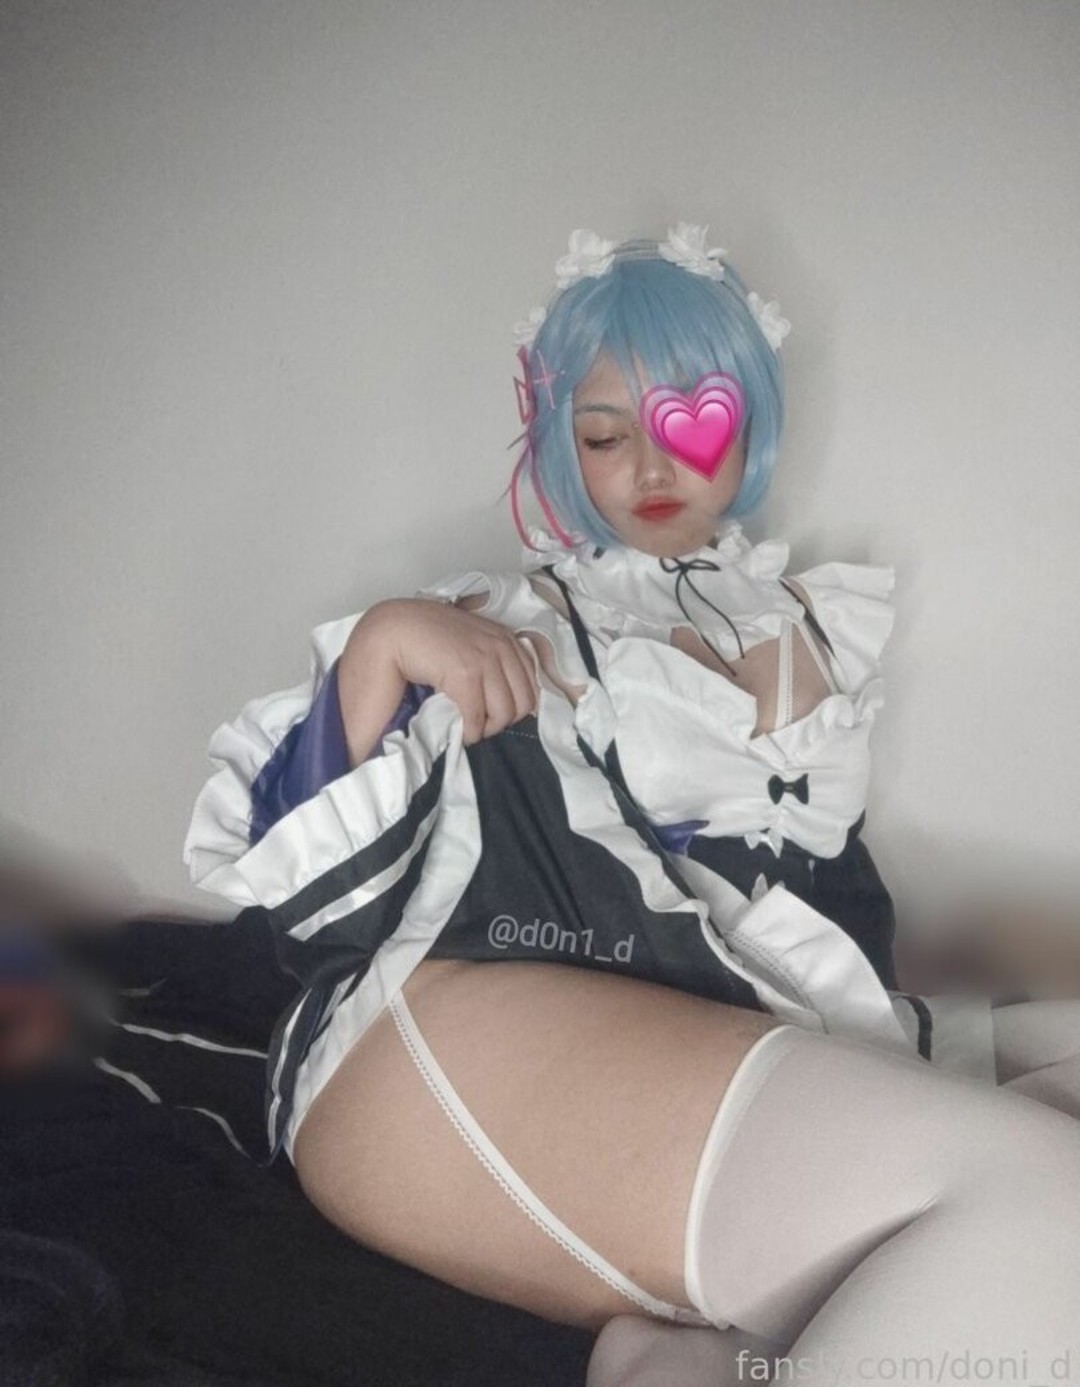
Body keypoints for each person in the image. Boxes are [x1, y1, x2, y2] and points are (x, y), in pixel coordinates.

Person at [186, 227, 1080, 1384]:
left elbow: (817, 915)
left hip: (697, 1043)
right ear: (564, 445)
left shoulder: (804, 631)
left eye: (688, 418)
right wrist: (384, 644)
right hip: (443, 1038)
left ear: (748, 418)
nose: (653, 467)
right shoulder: (511, 620)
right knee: (1050, 1202)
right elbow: (304, 899)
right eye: (606, 435)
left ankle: (684, 1361)